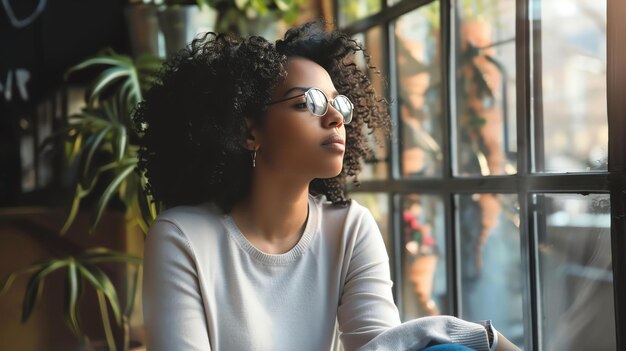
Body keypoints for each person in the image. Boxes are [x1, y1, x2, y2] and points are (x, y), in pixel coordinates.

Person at [134, 20, 520, 351]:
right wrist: (465, 332)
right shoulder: (182, 237)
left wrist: (449, 338)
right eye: (308, 103)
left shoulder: (349, 228)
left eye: (340, 103)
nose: (336, 117)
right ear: (248, 130)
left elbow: (382, 346)